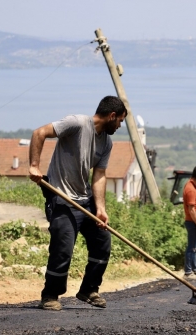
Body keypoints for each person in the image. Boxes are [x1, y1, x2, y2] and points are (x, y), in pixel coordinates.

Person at [28, 95, 127, 310]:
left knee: (102, 241)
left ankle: (88, 290)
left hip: (85, 201)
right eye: (120, 120)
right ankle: (50, 295)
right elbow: (40, 133)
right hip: (61, 197)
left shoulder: (106, 143)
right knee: (63, 246)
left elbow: (99, 175)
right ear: (112, 116)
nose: (120, 125)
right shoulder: (78, 123)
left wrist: (100, 209)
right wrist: (34, 166)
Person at [182, 165, 196, 277]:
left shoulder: (193, 186)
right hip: (192, 222)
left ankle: (195, 270)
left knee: (194, 247)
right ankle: (188, 271)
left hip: (194, 221)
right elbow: (191, 210)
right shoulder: (190, 189)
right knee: (191, 247)